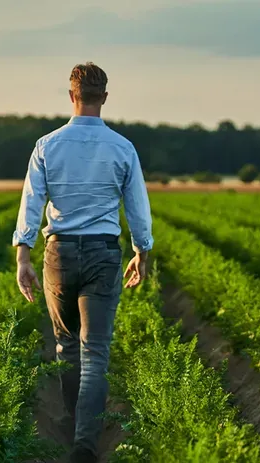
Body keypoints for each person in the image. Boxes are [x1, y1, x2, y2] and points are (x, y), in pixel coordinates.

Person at [11, 61, 153, 462]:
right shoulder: (122, 147)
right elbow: (138, 209)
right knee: (96, 351)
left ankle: (75, 424)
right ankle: (85, 444)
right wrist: (143, 252)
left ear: (71, 95)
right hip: (103, 253)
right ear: (104, 97)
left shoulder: (47, 145)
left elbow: (31, 202)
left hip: (58, 253)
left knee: (66, 345)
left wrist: (23, 255)